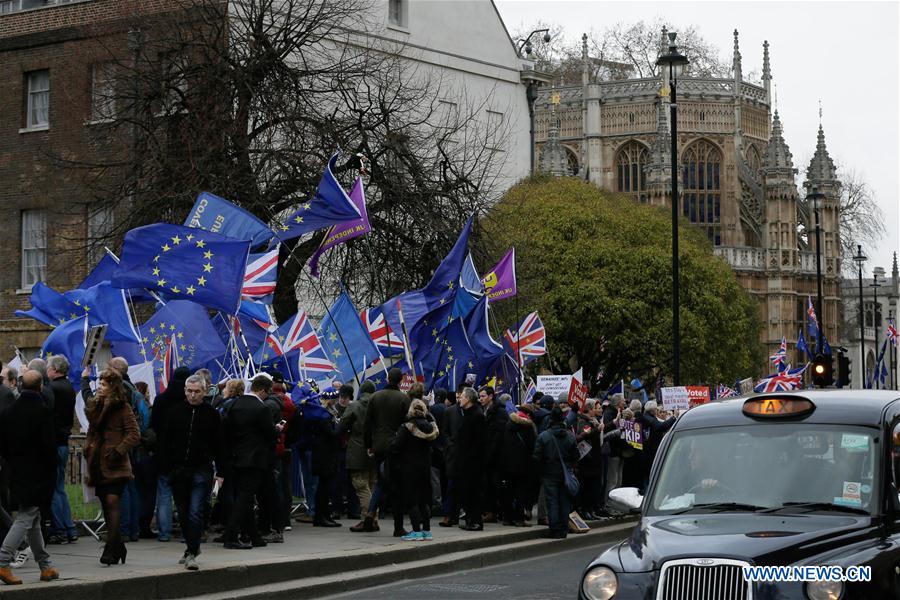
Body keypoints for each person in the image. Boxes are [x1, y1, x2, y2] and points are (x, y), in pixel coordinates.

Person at [158, 375, 224, 570]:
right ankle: (190, 547)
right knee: (184, 512)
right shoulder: (175, 411)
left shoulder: (211, 414)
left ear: (204, 391)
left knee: (196, 511)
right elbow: (164, 442)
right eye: (189, 391)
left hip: (201, 469)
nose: (193, 395)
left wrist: (221, 471)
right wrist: (166, 468)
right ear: (185, 391)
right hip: (178, 469)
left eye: (197, 391)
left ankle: (192, 551)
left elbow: (220, 445)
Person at [0, 370, 59, 585]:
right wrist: (52, 469)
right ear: (41, 386)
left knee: (33, 520)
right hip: (39, 474)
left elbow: (4, 446)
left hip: (17, 470)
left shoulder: (8, 412)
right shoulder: (43, 412)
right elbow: (49, 449)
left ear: (21, 385)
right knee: (26, 518)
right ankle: (3, 562)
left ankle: (45, 566)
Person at [81, 367, 140, 564]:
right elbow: (91, 429)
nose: (99, 387)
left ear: (113, 387)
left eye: (104, 384)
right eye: (99, 384)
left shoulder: (123, 408)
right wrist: (88, 447)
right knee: (106, 507)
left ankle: (109, 549)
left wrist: (118, 450)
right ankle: (119, 548)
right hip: (98, 462)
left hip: (115, 463)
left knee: (113, 503)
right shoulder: (95, 407)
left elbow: (134, 434)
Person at [222, 375, 278, 549]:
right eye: (267, 393)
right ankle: (231, 536)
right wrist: (277, 429)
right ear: (262, 390)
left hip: (235, 457)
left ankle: (254, 536)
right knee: (245, 498)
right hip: (254, 459)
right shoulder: (262, 409)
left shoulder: (234, 404)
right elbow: (270, 435)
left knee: (243, 498)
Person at [364, 368, 411, 537]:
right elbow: (408, 424)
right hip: (396, 446)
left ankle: (370, 512)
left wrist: (369, 444)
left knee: (381, 479)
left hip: (378, 445)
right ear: (400, 381)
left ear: (387, 378)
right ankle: (398, 526)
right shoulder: (404, 399)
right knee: (396, 485)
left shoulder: (375, 397)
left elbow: (367, 424)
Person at [150, 366, 190, 542]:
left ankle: (164, 532)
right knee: (184, 496)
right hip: (183, 452)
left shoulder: (161, 399)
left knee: (164, 495)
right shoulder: (188, 400)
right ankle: (186, 531)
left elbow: (155, 425)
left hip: (163, 451)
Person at [391, 399, 439, 541]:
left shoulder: (407, 427)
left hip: (409, 467)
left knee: (412, 500)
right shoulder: (431, 428)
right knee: (424, 499)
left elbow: (396, 446)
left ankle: (416, 530)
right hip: (425, 466)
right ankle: (427, 530)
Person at [45, 356, 78, 544]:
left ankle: (59, 529)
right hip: (64, 441)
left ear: (55, 370)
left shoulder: (53, 388)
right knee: (61, 488)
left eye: (48, 367)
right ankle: (70, 528)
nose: (47, 371)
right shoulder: (68, 387)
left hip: (55, 442)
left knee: (54, 490)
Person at [533, 406, 577, 539]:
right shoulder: (569, 436)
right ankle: (563, 528)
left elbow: (536, 457)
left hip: (549, 473)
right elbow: (576, 455)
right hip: (565, 474)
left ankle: (555, 529)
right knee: (564, 501)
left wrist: (540, 471)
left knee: (552, 501)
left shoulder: (544, 436)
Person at [343, 381, 379, 533]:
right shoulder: (379, 406)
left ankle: (368, 519)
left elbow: (343, 423)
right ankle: (374, 519)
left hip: (357, 450)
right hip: (375, 450)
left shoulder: (355, 406)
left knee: (361, 486)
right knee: (372, 486)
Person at [499, 403, 537, 527]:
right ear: (529, 414)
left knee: (508, 491)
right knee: (521, 492)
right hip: (523, 465)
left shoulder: (508, 425)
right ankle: (519, 518)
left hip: (507, 464)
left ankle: (507, 517)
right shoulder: (528, 427)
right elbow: (532, 446)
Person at [456, 387, 487, 531]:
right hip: (466, 461)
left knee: (474, 492)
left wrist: (469, 459)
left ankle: (476, 521)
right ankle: (470, 519)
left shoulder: (477, 415)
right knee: (467, 492)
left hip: (473, 464)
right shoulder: (467, 414)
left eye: (462, 397)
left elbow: (479, 442)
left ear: (468, 399)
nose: (459, 399)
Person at [479, 386, 507, 523]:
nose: (481, 399)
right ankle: (491, 511)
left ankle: (500, 511)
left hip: (496, 456)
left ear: (491, 396)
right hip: (486, 454)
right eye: (480, 396)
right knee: (488, 485)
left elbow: (498, 436)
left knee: (497, 485)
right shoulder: (484, 410)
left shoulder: (499, 412)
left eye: (483, 396)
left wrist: (490, 454)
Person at [438, 388, 464, 527]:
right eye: (459, 395)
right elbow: (444, 432)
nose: (460, 398)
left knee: (462, 486)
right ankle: (449, 514)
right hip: (452, 454)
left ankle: (459, 513)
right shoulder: (449, 411)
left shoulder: (474, 411)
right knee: (451, 485)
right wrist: (449, 445)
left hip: (467, 454)